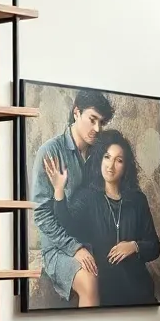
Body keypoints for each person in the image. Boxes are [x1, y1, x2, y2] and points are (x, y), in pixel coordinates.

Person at [44, 129, 160, 307]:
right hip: (107, 291)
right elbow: (68, 227)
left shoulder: (137, 200)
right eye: (107, 157)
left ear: (126, 167)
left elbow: (154, 246)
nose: (110, 166)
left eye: (118, 160)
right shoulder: (87, 197)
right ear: (100, 158)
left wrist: (134, 246)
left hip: (139, 290)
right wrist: (59, 190)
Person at [31, 88, 114, 307]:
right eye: (92, 120)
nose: (97, 129)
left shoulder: (101, 153)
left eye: (101, 123)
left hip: (94, 239)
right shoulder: (51, 151)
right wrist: (75, 248)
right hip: (59, 247)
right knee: (89, 280)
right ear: (76, 113)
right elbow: (42, 215)